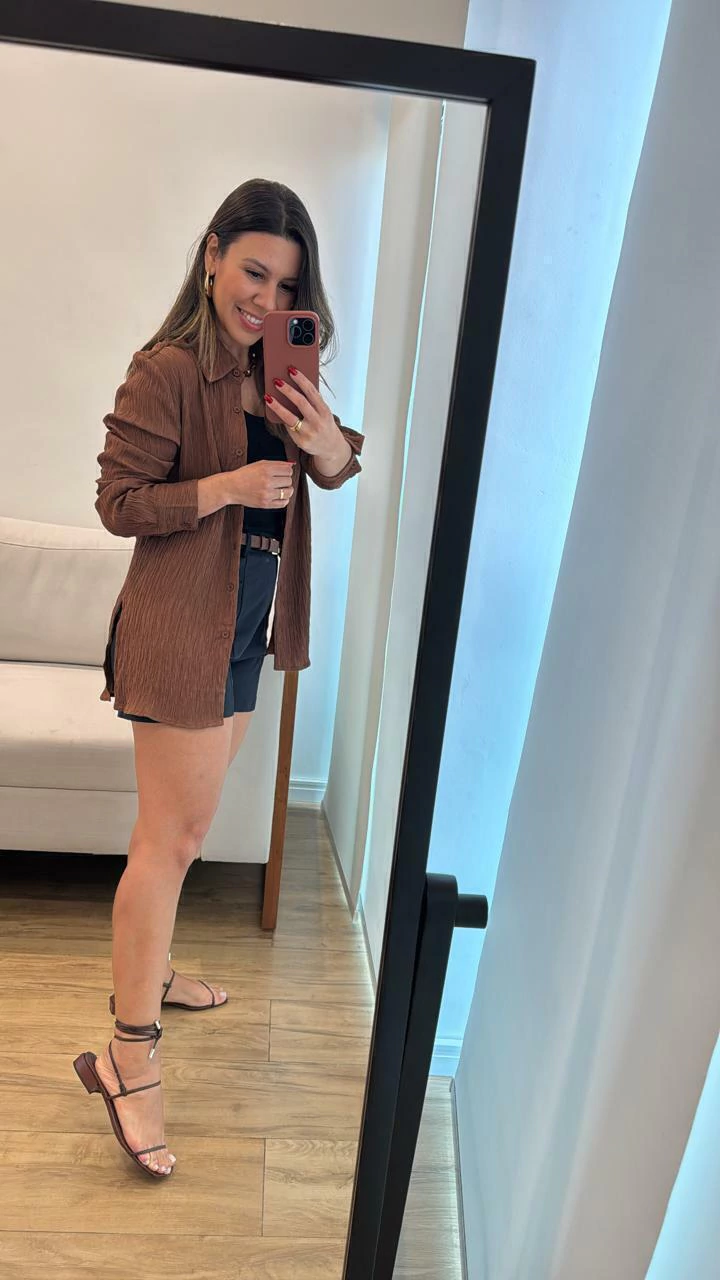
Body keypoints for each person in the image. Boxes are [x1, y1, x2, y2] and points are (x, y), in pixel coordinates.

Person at [72, 179, 364, 1178]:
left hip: (248, 618)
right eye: (252, 271)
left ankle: (151, 972)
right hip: (180, 623)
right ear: (211, 257)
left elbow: (332, 470)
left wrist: (328, 445)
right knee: (170, 841)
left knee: (180, 832)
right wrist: (227, 487)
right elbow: (119, 502)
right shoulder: (165, 370)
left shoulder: (276, 371)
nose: (264, 298)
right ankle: (129, 1058)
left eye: (285, 285)